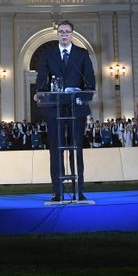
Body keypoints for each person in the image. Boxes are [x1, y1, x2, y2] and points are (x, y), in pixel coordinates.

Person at [35, 20, 96, 202]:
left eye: (67, 32)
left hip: (76, 110)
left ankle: (79, 190)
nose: (64, 34)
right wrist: (40, 92)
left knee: (76, 150)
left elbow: (90, 81)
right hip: (54, 111)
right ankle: (57, 191)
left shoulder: (82, 54)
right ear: (57, 34)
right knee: (55, 151)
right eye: (61, 31)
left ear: (72, 34)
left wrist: (84, 95)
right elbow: (41, 79)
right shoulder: (48, 54)